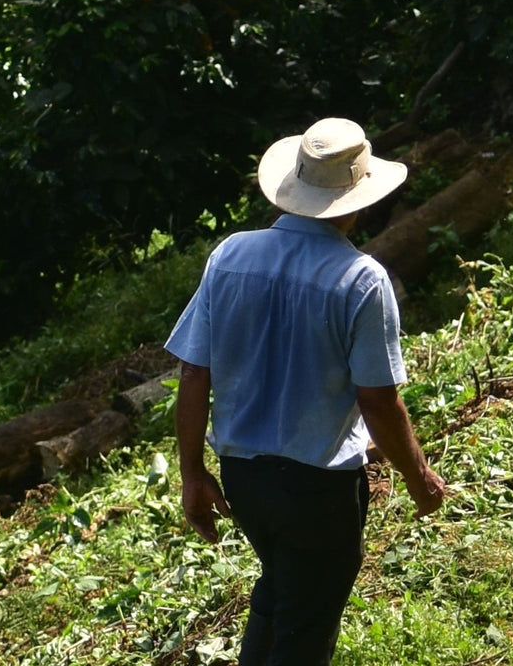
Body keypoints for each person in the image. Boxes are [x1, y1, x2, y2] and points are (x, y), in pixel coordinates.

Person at [165, 117, 446, 666]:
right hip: (317, 491)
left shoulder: (230, 257)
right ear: (358, 198)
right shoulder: (361, 280)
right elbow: (377, 401)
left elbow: (194, 374)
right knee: (305, 632)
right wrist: (419, 478)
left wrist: (193, 474)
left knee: (281, 591)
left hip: (243, 478)